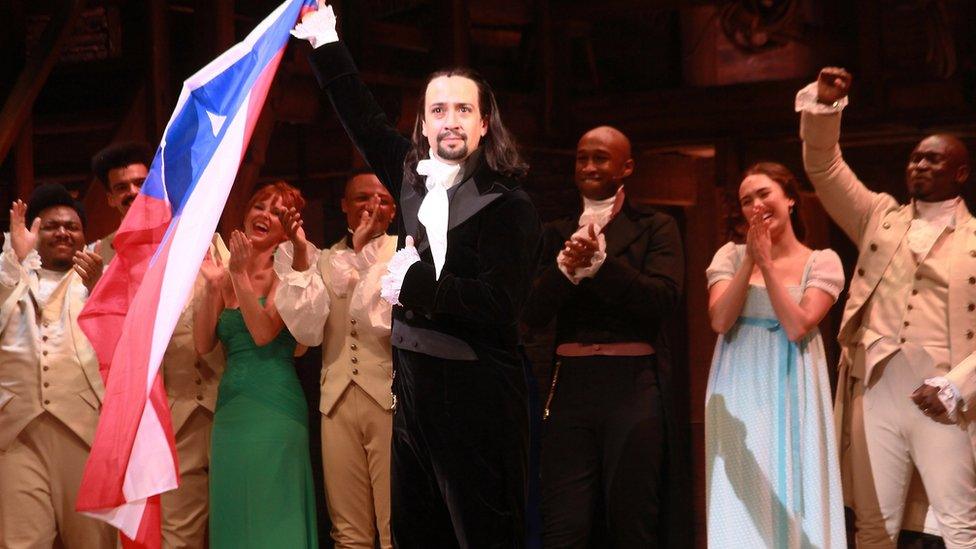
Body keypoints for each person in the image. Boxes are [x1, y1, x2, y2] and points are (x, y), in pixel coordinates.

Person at [293, 6, 542, 546]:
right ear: (424, 124)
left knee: (485, 535)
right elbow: (360, 115)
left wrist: (417, 288)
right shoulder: (411, 180)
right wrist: (326, 40)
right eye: (438, 110)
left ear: (482, 123)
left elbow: (503, 305)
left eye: (462, 109)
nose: (449, 119)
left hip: (479, 395)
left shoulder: (509, 205)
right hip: (410, 394)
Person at [798, 67, 976, 548]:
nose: (919, 165)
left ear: (960, 173)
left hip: (942, 391)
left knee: (960, 523)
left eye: (933, 160)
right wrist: (826, 107)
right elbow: (824, 167)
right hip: (875, 385)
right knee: (873, 524)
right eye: (915, 158)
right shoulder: (880, 217)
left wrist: (957, 386)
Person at [522, 126, 684, 547]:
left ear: (626, 167)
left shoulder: (656, 226)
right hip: (571, 383)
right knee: (565, 523)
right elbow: (531, 315)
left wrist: (602, 267)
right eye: (582, 158)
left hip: (633, 383)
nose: (590, 166)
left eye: (600, 158)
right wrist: (563, 273)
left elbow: (663, 300)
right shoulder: (555, 232)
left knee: (632, 518)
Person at [704, 162, 847, 548]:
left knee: (792, 482)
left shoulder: (823, 261)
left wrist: (767, 264)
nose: (756, 205)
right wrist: (750, 258)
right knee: (738, 490)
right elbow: (720, 319)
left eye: (764, 194)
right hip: (738, 380)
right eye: (746, 200)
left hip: (790, 379)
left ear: (789, 199)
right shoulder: (730, 257)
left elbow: (798, 324)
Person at [91, 141, 223, 548]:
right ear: (111, 198)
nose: (132, 191)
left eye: (139, 182)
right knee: (179, 536)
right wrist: (94, 284)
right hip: (170, 417)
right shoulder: (104, 256)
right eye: (122, 187)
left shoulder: (202, 234)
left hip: (227, 405)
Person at [274, 171, 397, 548]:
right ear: (344, 205)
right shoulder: (322, 260)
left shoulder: (405, 253)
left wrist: (362, 256)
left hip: (390, 400)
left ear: (393, 210)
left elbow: (385, 322)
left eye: (382, 199)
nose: (371, 206)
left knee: (396, 522)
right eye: (361, 198)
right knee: (348, 530)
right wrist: (299, 253)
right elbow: (308, 331)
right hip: (337, 400)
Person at [193, 182, 318, 549]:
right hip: (232, 412)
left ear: (286, 229)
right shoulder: (227, 272)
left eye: (276, 212)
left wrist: (238, 275)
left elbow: (263, 332)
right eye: (259, 205)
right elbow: (203, 345)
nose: (263, 214)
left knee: (274, 515)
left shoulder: (288, 271)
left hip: (276, 409)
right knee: (236, 515)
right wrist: (214, 286)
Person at [0, 184, 116, 548]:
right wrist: (17, 261)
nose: (63, 231)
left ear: (84, 236)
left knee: (91, 540)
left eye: (72, 226)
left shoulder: (103, 279)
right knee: (22, 540)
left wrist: (100, 288)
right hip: (17, 430)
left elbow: (123, 342)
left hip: (84, 428)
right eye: (50, 226)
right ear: (34, 233)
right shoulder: (10, 277)